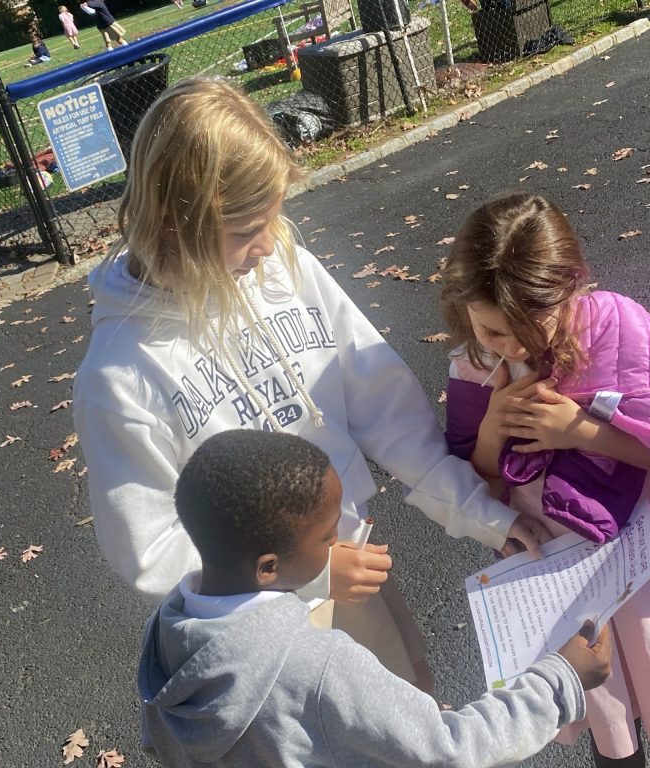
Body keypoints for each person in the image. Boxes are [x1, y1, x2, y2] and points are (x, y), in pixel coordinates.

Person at [73, 78, 552, 694]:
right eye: (247, 228)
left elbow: (384, 404)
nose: (268, 244)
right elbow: (150, 551)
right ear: (176, 222)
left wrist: (484, 514)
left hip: (345, 567)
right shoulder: (121, 373)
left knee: (416, 714)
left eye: (273, 219)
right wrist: (310, 576)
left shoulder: (283, 270)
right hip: (264, 638)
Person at [440, 192, 650, 768]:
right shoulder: (472, 368)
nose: (513, 346)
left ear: (571, 288)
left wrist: (582, 433)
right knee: (606, 713)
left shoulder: (613, 324)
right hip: (559, 572)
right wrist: (492, 431)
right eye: (493, 331)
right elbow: (473, 485)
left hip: (638, 559)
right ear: (463, 308)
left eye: (529, 328)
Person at [140, 428, 612, 767]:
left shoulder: (166, 631)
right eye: (328, 537)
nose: (340, 544)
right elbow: (449, 748)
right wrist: (559, 678)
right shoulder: (319, 666)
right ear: (268, 567)